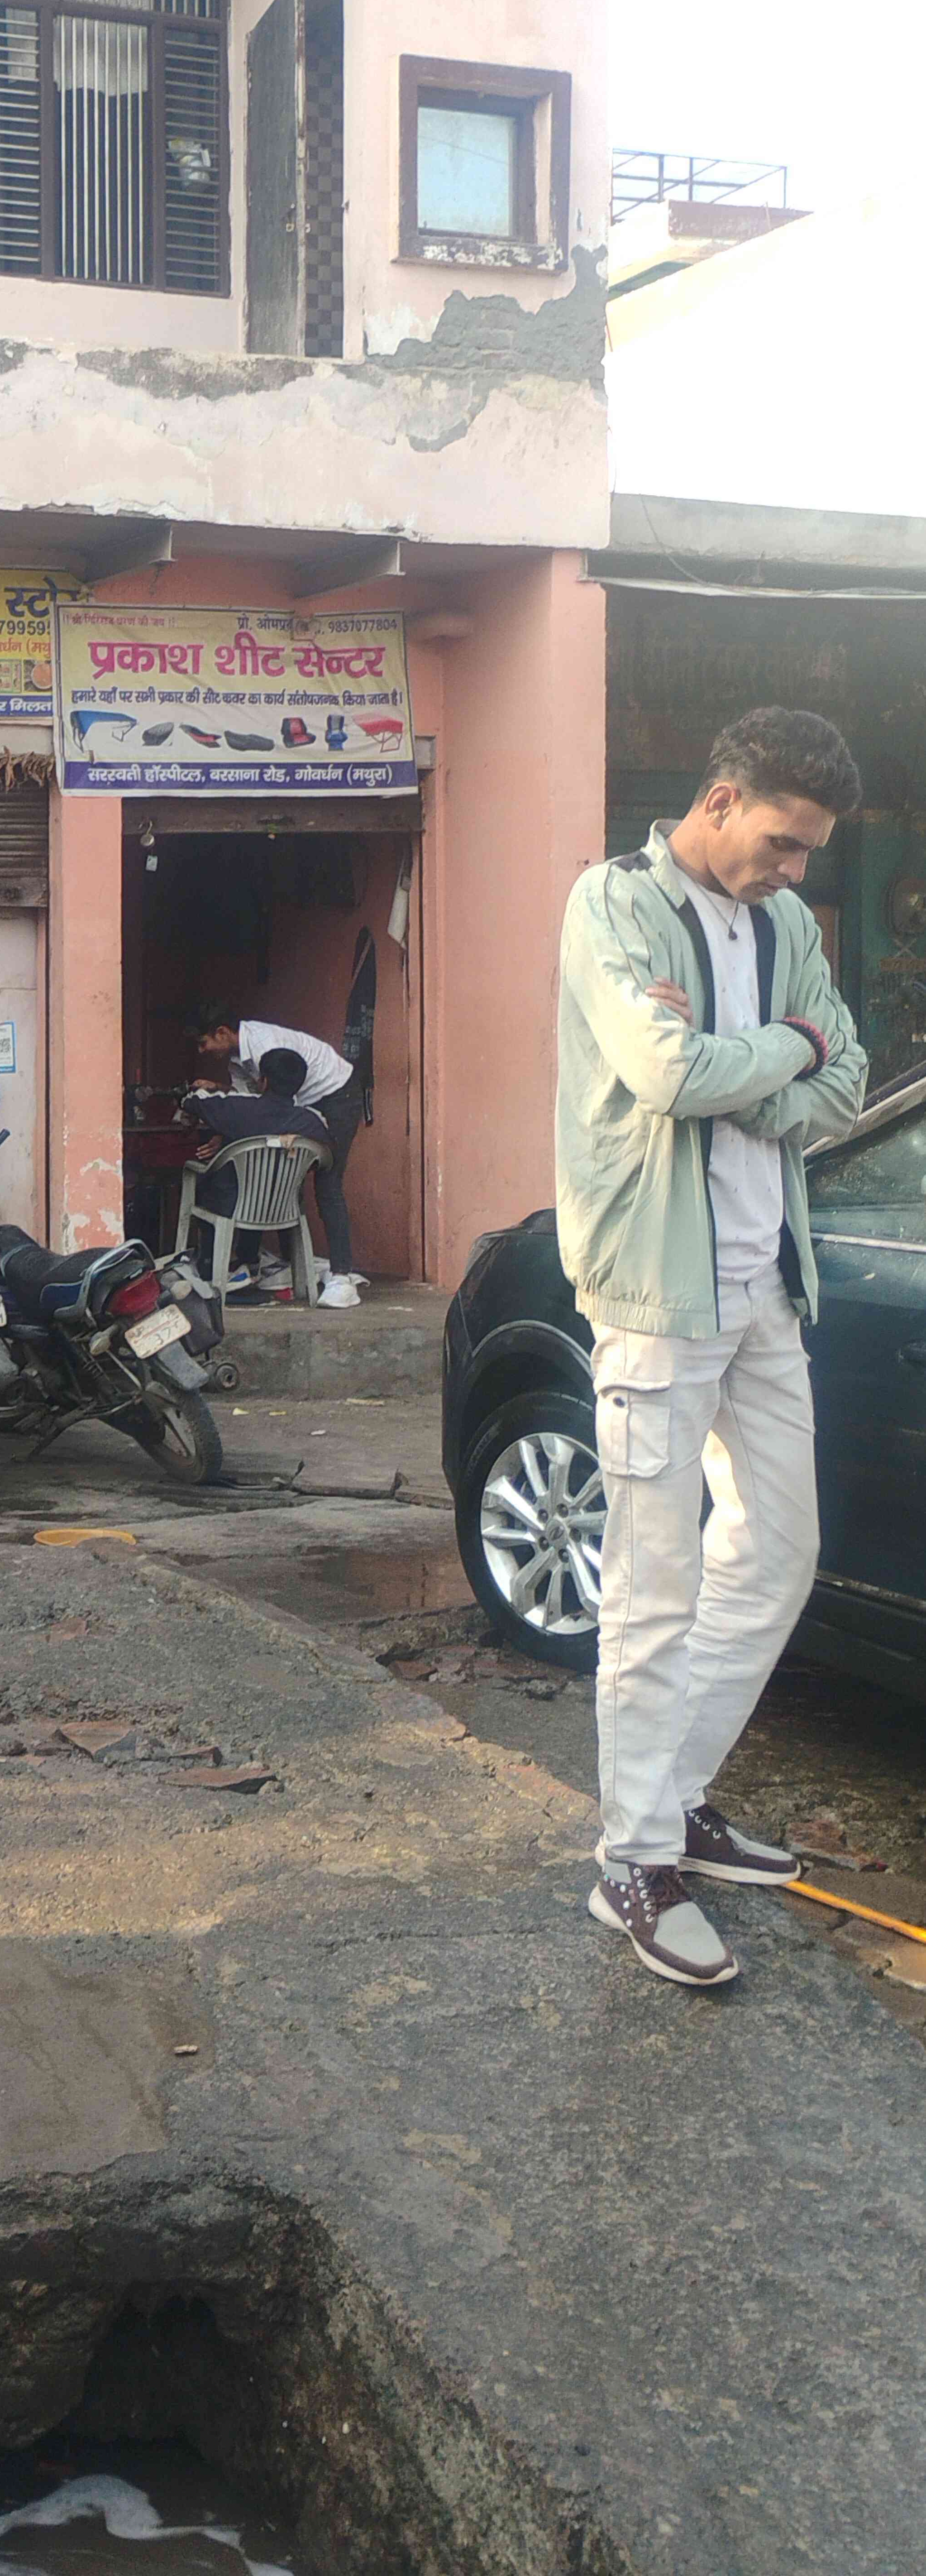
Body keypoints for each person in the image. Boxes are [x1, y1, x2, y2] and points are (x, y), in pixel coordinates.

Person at [557, 707, 864, 1989]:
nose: (793, 870)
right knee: (652, 1582)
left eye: (808, 854)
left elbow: (848, 1079)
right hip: (655, 1293)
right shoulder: (613, 904)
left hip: (766, 1287)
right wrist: (787, 1049)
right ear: (722, 799)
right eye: (782, 842)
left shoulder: (786, 926)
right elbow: (663, 1074)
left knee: (777, 1549)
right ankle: (630, 1862)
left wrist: (765, 1057)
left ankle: (672, 1799)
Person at [194, 1013, 363, 1306]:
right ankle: (286, 1265)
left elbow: (267, 1113)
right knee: (277, 1172)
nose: (202, 1052)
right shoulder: (238, 1061)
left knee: (328, 1183)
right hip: (302, 1103)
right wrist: (226, 1124)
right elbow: (255, 1108)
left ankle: (342, 1276)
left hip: (336, 1094)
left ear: (222, 1033)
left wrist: (222, 1121)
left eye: (203, 1043)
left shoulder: (265, 1047)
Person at [178, 1049, 328, 1291]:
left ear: (264, 1081)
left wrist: (203, 1095)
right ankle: (248, 1260)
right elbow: (324, 1158)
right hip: (284, 1206)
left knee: (214, 1181)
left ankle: (210, 1267)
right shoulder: (312, 1121)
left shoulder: (238, 1108)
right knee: (259, 1182)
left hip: (229, 1206)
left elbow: (193, 1102)